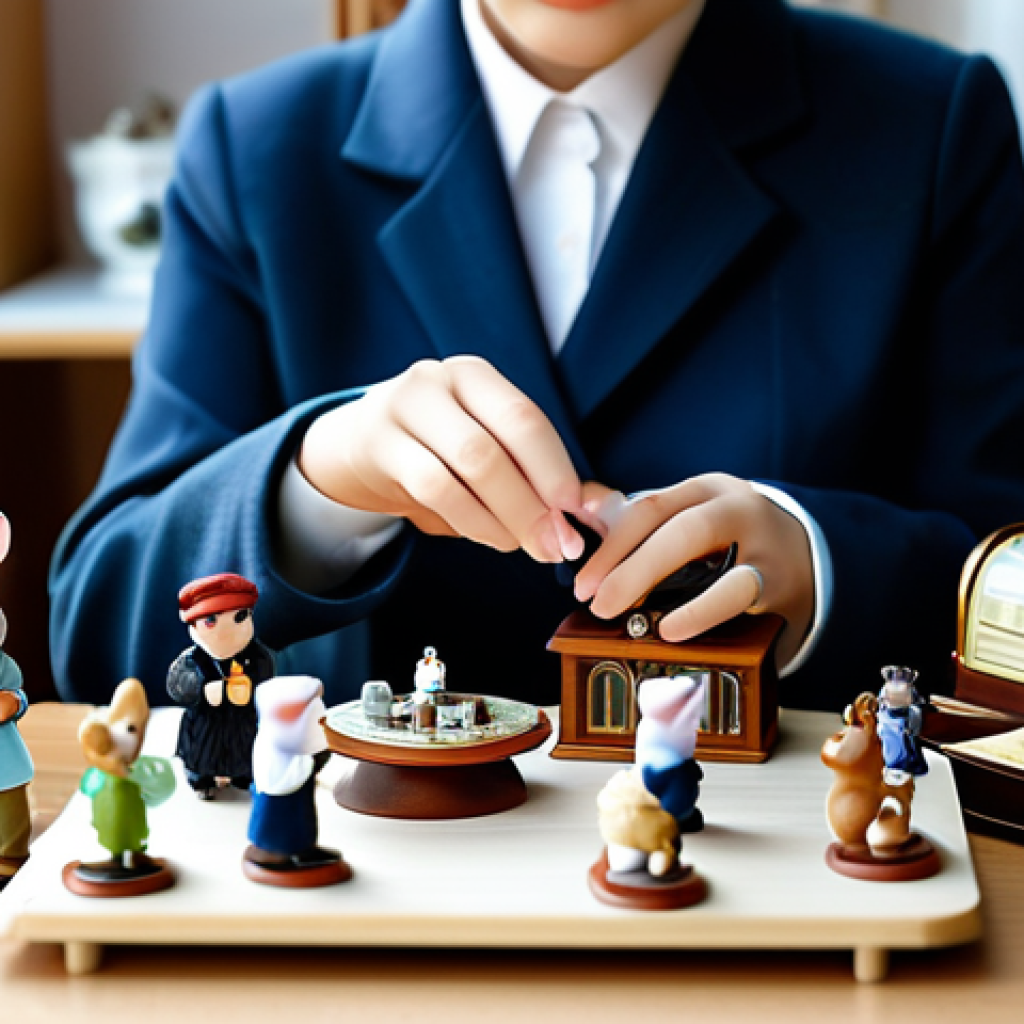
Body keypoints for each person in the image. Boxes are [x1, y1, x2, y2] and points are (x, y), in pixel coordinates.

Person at [49, 0, 1024, 712]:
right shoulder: (255, 148)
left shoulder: (932, 126)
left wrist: (822, 567)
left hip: (794, 890)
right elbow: (99, 635)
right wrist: (315, 483)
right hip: (363, 895)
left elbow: (1004, 570)